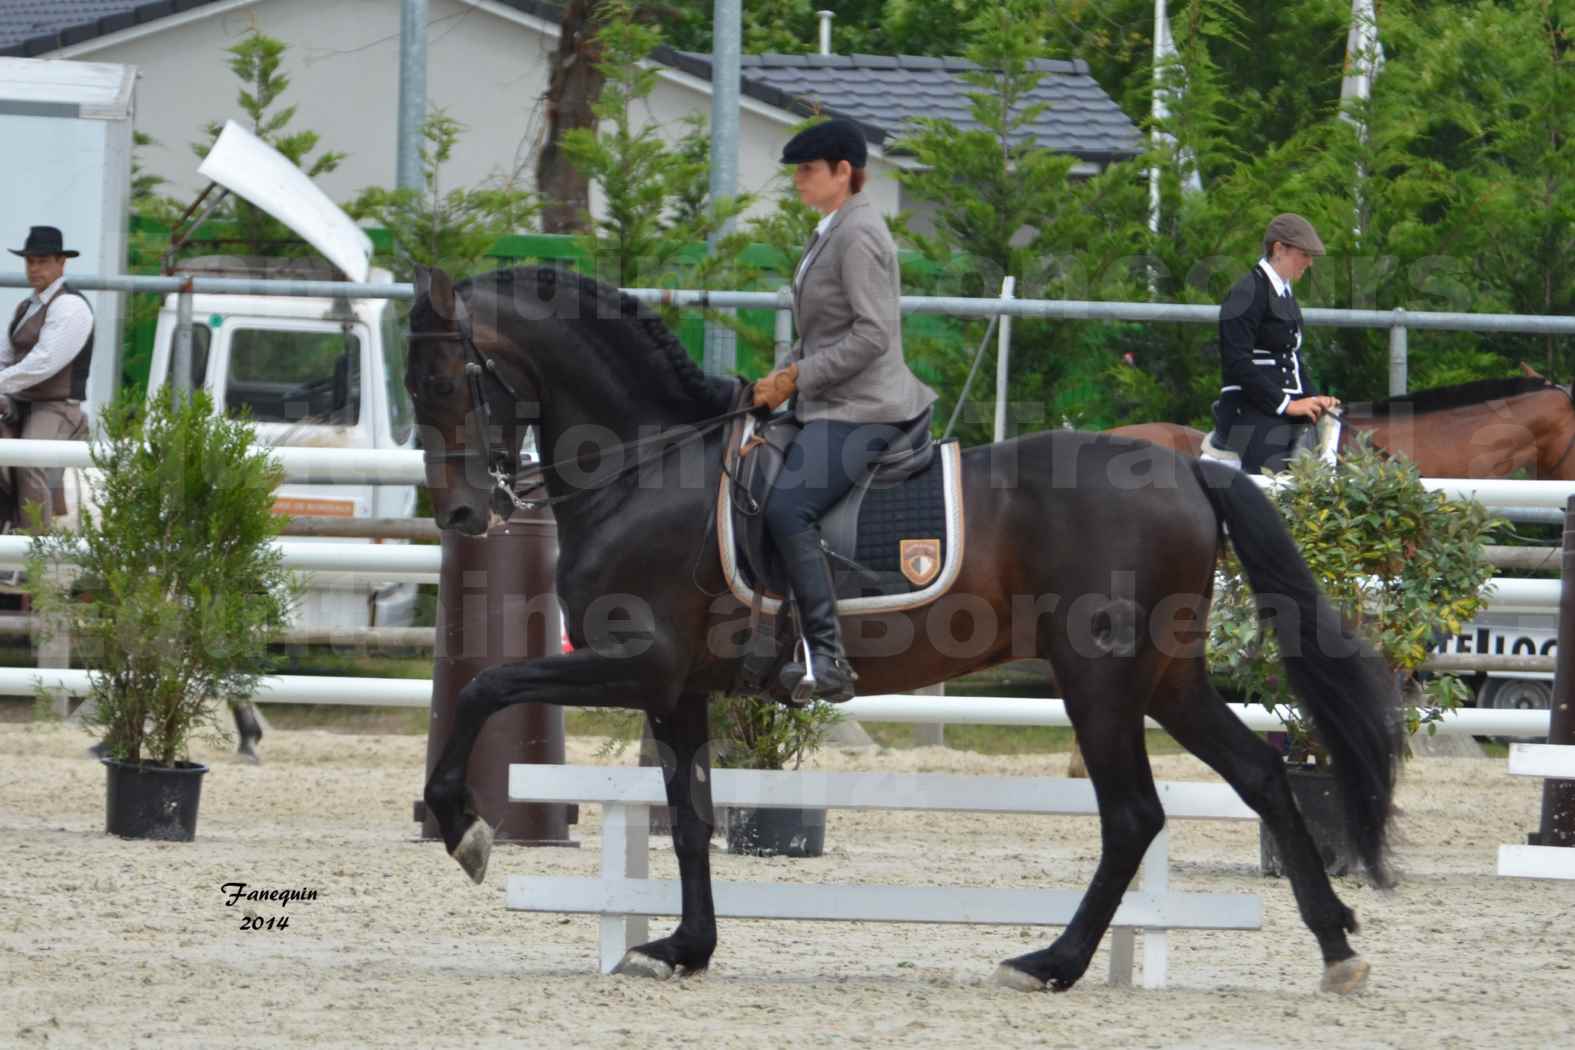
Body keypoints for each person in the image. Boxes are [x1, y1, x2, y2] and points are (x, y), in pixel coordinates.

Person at [752, 119, 937, 703]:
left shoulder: (858, 234)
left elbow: (873, 335)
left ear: (843, 172)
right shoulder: (830, 229)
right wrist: (780, 375)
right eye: (797, 171)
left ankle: (827, 655)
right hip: (826, 399)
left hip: (866, 407)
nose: (798, 181)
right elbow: (821, 328)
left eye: (808, 170)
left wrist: (797, 377)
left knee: (787, 508)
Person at [1213, 213, 1340, 474]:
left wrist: (1314, 397)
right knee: (1274, 479)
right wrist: (1287, 404)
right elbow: (1237, 361)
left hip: (1285, 403)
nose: (1309, 263)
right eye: (1304, 254)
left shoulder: (1285, 293)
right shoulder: (1246, 292)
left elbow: (1291, 358)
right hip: (1249, 407)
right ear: (1279, 248)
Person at [0, 226, 94, 534]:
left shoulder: (71, 306)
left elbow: (43, 363)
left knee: (29, 461)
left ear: (60, 263)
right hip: (20, 400)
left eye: (42, 261)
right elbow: (6, 355)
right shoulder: (25, 307)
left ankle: (34, 550)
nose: (34, 268)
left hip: (56, 407)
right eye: (29, 261)